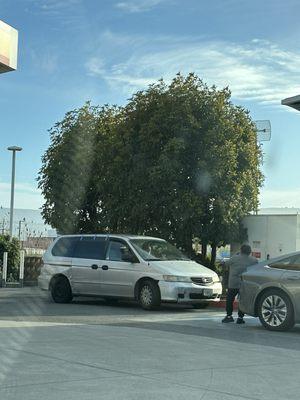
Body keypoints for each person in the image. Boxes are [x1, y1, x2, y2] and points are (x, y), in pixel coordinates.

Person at [222, 244, 258, 324]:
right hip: (245, 283)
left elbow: (226, 264)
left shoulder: (235, 258)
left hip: (233, 283)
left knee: (230, 299)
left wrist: (236, 254)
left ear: (241, 250)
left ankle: (229, 316)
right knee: (242, 301)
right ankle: (240, 318)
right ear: (249, 251)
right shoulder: (254, 260)